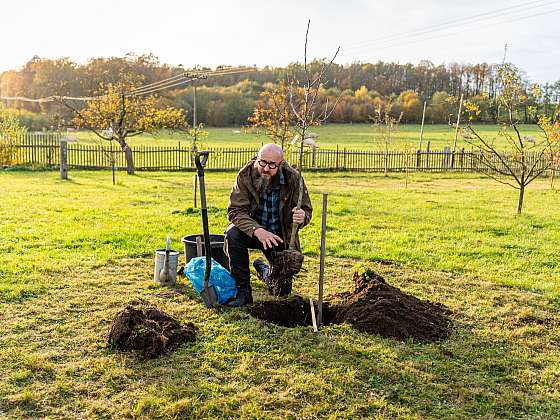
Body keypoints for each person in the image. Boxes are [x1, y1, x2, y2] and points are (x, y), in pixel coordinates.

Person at [224, 143, 312, 307]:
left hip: (279, 237)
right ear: (257, 159)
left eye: (272, 165)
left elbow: (306, 209)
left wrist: (302, 217)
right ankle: (243, 291)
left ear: (281, 164)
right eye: (262, 162)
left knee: (281, 292)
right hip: (253, 232)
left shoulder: (293, 178)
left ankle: (264, 271)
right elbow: (235, 211)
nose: (265, 168)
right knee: (232, 234)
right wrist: (257, 230)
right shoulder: (245, 176)